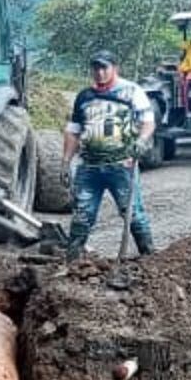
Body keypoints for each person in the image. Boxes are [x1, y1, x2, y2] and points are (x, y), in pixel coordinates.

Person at [62, 50, 157, 259]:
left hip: (122, 165)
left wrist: (141, 141)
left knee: (132, 213)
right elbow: (73, 130)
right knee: (82, 215)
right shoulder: (84, 96)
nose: (100, 73)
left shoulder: (131, 91)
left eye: (104, 68)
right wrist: (65, 162)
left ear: (115, 68)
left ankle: (150, 257)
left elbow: (148, 121)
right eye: (96, 68)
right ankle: (72, 260)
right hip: (89, 167)